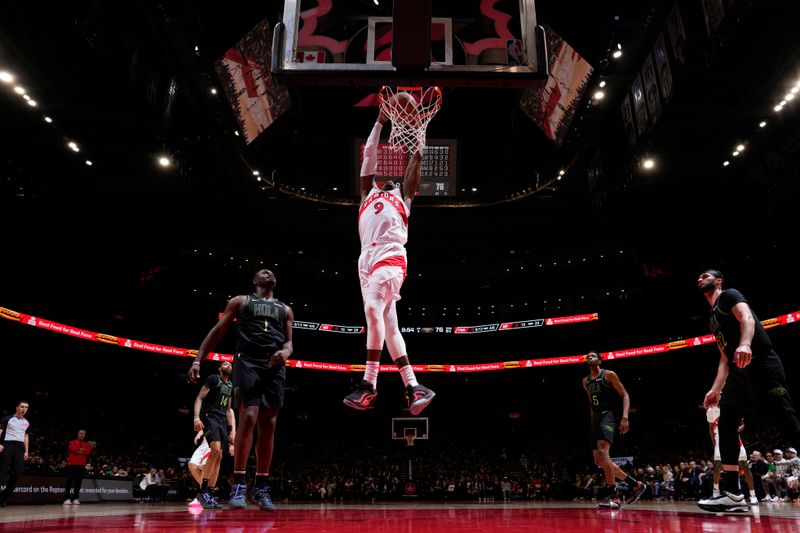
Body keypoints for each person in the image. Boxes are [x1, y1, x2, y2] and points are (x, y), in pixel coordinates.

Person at [343, 111, 435, 415]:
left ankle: (369, 385)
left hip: (390, 255)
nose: (387, 180)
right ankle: (414, 387)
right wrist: (379, 122)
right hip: (365, 261)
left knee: (371, 309)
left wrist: (419, 142)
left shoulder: (403, 197)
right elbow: (369, 156)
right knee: (390, 325)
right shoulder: (365, 194)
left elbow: (412, 173)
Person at [188, 269, 293, 511]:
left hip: (274, 365)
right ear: (255, 281)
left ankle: (261, 488)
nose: (269, 272)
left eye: (272, 271)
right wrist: (198, 359)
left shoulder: (285, 309)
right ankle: (239, 484)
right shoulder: (241, 301)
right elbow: (217, 332)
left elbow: (289, 342)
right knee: (248, 416)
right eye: (263, 271)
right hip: (247, 361)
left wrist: (285, 353)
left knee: (269, 424)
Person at [696, 269, 800, 513]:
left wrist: (744, 343)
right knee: (726, 422)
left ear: (719, 280)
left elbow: (747, 318)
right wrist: (715, 389)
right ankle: (733, 494)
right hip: (738, 370)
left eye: (705, 276)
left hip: (761, 361)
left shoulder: (729, 295)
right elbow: (724, 356)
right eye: (698, 278)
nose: (700, 279)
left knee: (785, 419)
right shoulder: (712, 317)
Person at [582, 351, 645, 509]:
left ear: (600, 360)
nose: (590, 357)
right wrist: (592, 425)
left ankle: (614, 496)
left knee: (604, 453)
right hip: (596, 419)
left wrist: (625, 417)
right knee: (599, 461)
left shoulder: (608, 375)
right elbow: (591, 405)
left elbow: (625, 395)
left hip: (608, 415)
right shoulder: (585, 381)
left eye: (593, 356)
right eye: (588, 356)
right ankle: (635, 484)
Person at [192, 361, 236, 510]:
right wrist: (196, 418)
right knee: (215, 449)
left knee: (219, 457)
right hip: (209, 416)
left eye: (230, 364)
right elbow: (199, 398)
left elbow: (229, 410)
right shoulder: (213, 379)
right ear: (219, 368)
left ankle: (209, 493)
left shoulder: (230, 386)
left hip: (221, 420)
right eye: (225, 363)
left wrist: (231, 430)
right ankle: (202, 491)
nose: (228, 365)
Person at [706, 407, 758, 505]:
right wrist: (714, 443)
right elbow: (710, 427)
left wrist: (736, 430)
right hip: (719, 439)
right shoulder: (711, 410)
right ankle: (715, 493)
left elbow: (743, 423)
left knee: (744, 466)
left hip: (734, 439)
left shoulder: (732, 406)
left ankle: (753, 495)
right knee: (717, 465)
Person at [0, 401, 30, 507]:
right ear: (17, 407)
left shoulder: (26, 422)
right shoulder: (7, 419)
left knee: (18, 472)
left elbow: (26, 436)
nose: (24, 409)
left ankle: (3, 497)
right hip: (7, 445)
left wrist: (26, 451)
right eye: (22, 406)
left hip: (19, 448)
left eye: (26, 407)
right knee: (2, 472)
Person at [63, 429, 93, 505]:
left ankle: (75, 498)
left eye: (83, 434)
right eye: (80, 433)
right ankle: (66, 498)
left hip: (81, 465)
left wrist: (79, 450)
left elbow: (88, 451)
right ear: (78, 434)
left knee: (78, 483)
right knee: (69, 482)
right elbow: (73, 449)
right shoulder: (72, 442)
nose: (82, 435)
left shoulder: (86, 444)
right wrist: (81, 450)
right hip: (72, 464)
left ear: (85, 435)